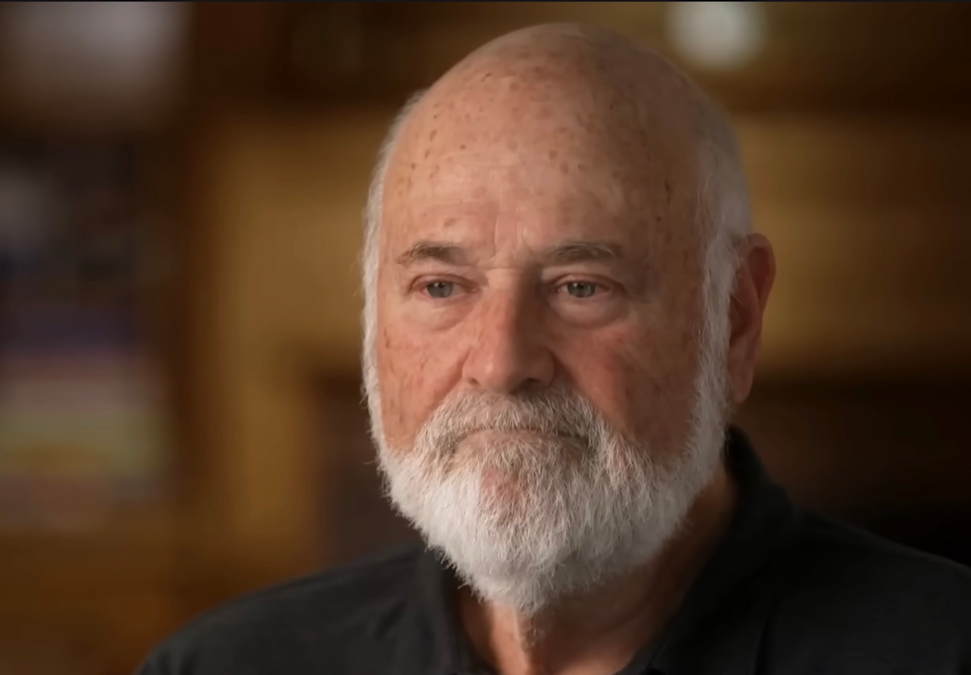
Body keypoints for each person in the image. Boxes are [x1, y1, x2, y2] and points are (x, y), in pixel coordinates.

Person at [137, 23, 971, 675]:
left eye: (581, 286)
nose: (501, 363)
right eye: (441, 287)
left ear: (736, 320)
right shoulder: (224, 665)